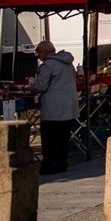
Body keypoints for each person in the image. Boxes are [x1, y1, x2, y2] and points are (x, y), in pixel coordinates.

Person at [31, 39, 78, 174]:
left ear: (44, 52)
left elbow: (41, 86)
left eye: (39, 53)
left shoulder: (47, 66)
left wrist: (31, 88)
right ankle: (62, 164)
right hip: (68, 105)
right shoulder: (68, 63)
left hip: (53, 107)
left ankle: (48, 165)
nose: (39, 57)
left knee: (49, 139)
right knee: (63, 138)